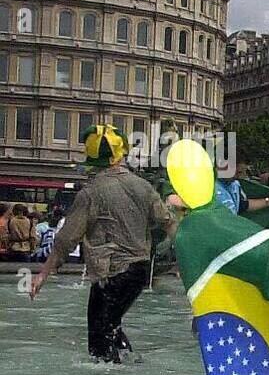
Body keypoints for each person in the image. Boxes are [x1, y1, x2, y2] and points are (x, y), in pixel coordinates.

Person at [29, 124, 173, 362]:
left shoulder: (90, 193)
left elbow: (67, 238)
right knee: (111, 325)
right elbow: (168, 222)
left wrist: (43, 274)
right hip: (140, 272)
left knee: (98, 337)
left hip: (112, 274)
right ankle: (131, 367)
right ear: (122, 153)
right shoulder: (143, 186)